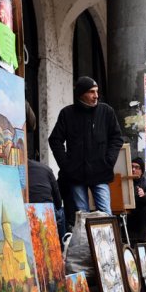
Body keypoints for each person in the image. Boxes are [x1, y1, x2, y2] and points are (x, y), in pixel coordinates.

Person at [48, 77, 124, 215]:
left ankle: (105, 238)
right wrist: (66, 165)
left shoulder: (106, 111)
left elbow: (116, 138)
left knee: (105, 214)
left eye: (97, 91)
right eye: (91, 92)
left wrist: (109, 160)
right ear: (81, 93)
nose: (96, 96)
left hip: (100, 172)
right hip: (76, 174)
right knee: (82, 216)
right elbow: (55, 140)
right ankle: (84, 238)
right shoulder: (67, 113)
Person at [28, 158, 65, 239]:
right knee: (60, 212)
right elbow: (57, 197)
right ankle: (62, 246)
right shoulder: (46, 168)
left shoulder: (15, 170)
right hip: (46, 209)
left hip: (27, 209)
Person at [126, 157, 146, 245]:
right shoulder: (125, 180)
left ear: (141, 170)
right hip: (127, 213)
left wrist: (144, 196)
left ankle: (142, 240)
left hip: (140, 214)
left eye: (137, 167)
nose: (133, 169)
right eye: (131, 167)